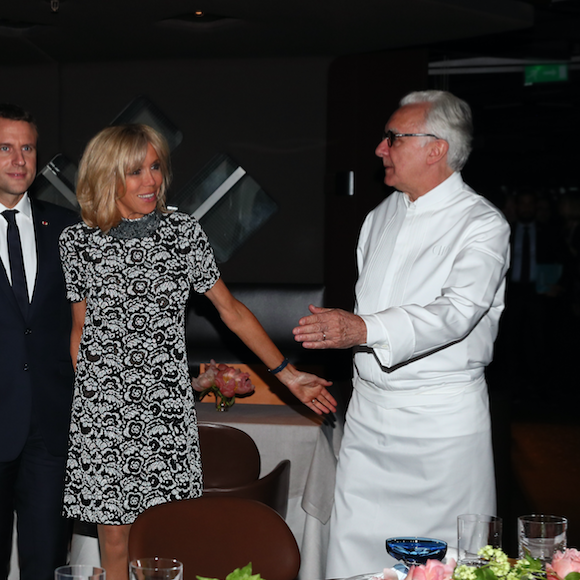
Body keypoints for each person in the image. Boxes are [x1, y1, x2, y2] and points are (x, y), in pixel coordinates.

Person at [58, 123, 337, 580]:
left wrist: (288, 374)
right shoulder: (78, 242)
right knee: (112, 536)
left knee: (167, 535)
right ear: (107, 177)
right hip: (103, 411)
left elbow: (232, 312)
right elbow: (80, 332)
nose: (151, 181)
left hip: (166, 409)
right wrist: (88, 408)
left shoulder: (181, 233)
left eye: (155, 167)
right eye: (135, 172)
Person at [292, 90, 511, 578]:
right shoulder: (379, 217)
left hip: (441, 430)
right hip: (368, 424)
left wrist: (362, 328)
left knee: (448, 563)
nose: (379, 149)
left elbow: (457, 312)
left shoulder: (482, 224)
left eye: (393, 138)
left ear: (436, 149)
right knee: (355, 558)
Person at [0, 104, 76, 580]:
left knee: (45, 561)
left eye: (27, 147)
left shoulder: (67, 227)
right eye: (5, 147)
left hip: (51, 426)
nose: (19, 159)